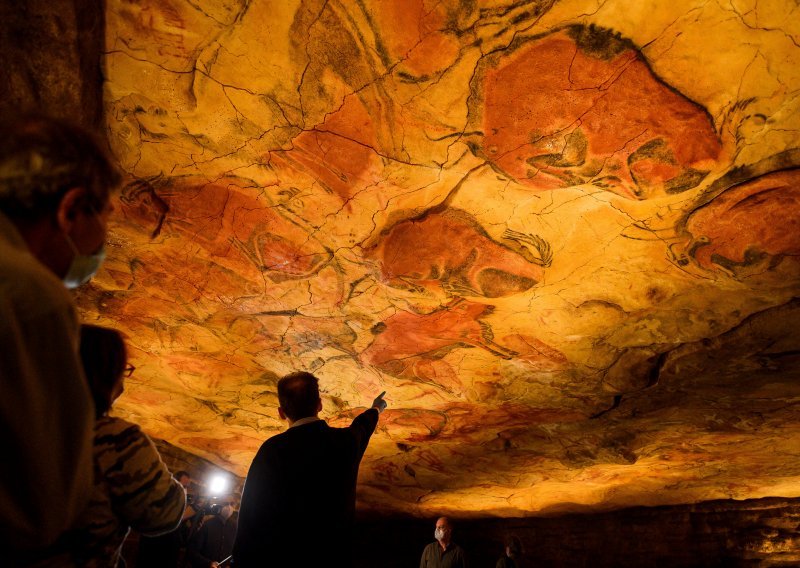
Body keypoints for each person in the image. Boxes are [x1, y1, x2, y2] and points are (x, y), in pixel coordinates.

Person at [0, 113, 120, 563]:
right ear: (71, 208)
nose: (102, 245)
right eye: (105, 218)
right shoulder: (31, 293)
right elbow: (45, 506)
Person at [232, 371, 387, 567]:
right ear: (320, 404)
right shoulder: (344, 443)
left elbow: (251, 515)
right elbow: (362, 428)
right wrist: (376, 409)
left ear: (281, 413)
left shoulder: (272, 450)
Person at [72, 324, 187, 567]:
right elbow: (165, 513)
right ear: (108, 375)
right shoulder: (114, 439)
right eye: (124, 370)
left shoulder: (19, 426)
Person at [136, 471, 197, 568]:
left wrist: (195, 525)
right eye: (184, 487)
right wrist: (182, 517)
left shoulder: (179, 508)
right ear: (173, 485)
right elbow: (158, 531)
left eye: (187, 487)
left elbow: (181, 540)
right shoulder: (158, 503)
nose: (185, 491)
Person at [186, 498, 237, 568]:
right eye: (225, 504)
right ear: (219, 505)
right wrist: (208, 564)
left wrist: (231, 565)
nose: (229, 507)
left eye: (232, 504)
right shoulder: (207, 525)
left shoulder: (235, 527)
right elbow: (192, 552)